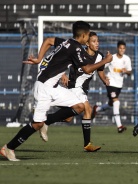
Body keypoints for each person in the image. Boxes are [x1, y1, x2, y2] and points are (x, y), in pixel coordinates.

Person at [0, 21, 112, 161]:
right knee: (37, 124)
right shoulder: (76, 48)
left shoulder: (67, 42)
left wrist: (39, 59)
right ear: (84, 36)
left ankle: (46, 122)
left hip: (53, 87)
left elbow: (48, 40)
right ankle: (9, 148)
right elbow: (87, 69)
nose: (89, 37)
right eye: (89, 35)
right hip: (44, 88)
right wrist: (106, 60)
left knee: (79, 106)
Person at [40, 31, 109, 152]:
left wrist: (104, 80)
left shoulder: (99, 56)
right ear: (87, 43)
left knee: (68, 118)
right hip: (74, 86)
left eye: (98, 41)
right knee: (87, 109)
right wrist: (62, 75)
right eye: (93, 41)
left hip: (83, 89)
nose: (97, 43)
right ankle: (87, 144)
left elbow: (100, 70)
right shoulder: (78, 52)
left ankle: (46, 120)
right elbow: (62, 62)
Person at [93, 40, 132, 133]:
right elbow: (102, 66)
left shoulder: (126, 59)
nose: (122, 50)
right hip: (110, 83)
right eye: (120, 48)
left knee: (111, 103)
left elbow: (130, 72)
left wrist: (126, 71)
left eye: (123, 48)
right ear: (117, 48)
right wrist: (104, 76)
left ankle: (96, 109)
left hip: (119, 85)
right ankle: (119, 126)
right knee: (116, 102)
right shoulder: (112, 57)